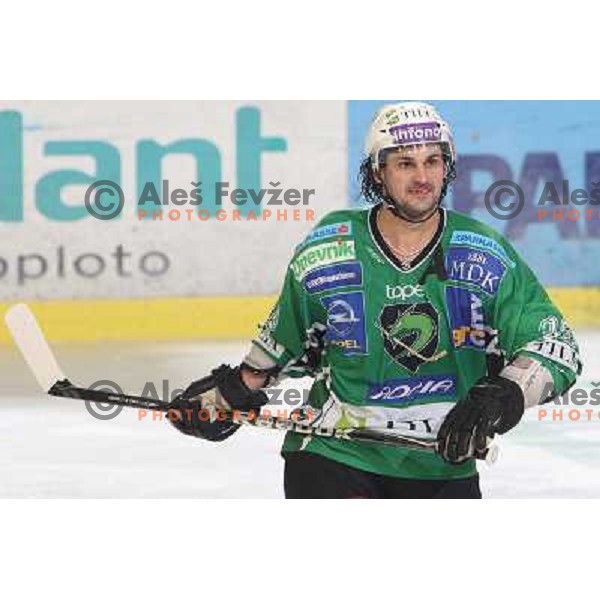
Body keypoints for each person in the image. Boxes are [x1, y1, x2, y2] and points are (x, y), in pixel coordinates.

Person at [169, 102, 582, 499]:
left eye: (432, 162)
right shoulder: (329, 249)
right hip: (332, 453)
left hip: (441, 460)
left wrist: (506, 395)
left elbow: (556, 347)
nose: (422, 177)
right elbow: (286, 341)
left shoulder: (484, 253)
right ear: (377, 172)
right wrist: (229, 395)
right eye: (405, 163)